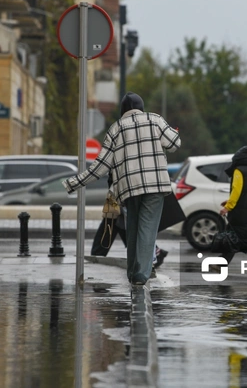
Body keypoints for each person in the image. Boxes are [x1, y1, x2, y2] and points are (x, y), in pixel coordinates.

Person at [63, 92, 180, 285]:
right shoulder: (155, 119)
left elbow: (100, 167)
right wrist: (174, 133)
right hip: (155, 185)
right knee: (147, 228)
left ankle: (134, 272)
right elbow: (174, 144)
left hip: (128, 188)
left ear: (123, 111)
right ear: (141, 107)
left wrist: (74, 183)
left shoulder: (116, 129)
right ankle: (141, 274)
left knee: (133, 226)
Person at [91, 174, 169, 273]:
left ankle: (97, 254)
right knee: (119, 224)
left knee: (114, 222)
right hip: (119, 191)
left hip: (122, 191)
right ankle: (155, 252)